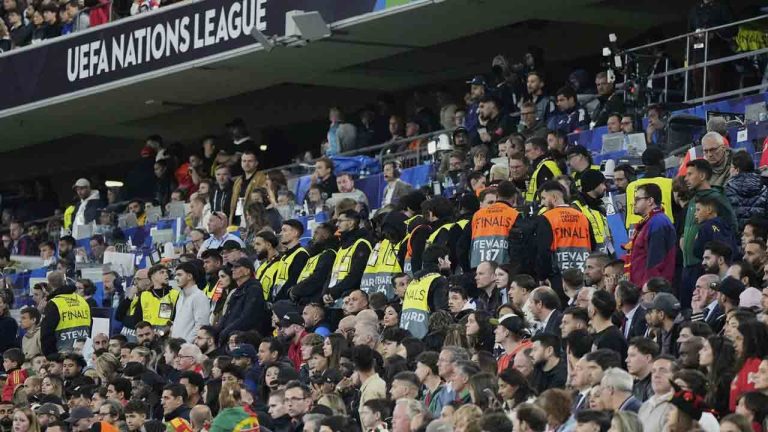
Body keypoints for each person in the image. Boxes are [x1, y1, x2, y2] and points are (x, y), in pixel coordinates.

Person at [682, 159, 737, 310]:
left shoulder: (716, 197)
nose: (686, 178)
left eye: (690, 174)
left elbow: (731, 226)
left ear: (702, 175)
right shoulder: (694, 199)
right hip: (688, 265)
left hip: (702, 265)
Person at [534, 181, 593, 304]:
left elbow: (543, 251)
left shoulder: (546, 217)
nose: (542, 203)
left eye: (544, 198)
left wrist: (542, 276)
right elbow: (592, 245)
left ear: (554, 197)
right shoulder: (583, 217)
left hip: (558, 278)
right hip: (582, 277)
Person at [626, 183, 677, 287]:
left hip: (652, 290)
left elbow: (656, 262)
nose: (633, 203)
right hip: (642, 287)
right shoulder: (651, 222)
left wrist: (651, 289)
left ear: (650, 201)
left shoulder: (658, 222)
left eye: (637, 199)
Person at [323, 210, 371, 309]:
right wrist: (325, 292)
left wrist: (334, 292)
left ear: (351, 223)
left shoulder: (361, 243)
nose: (337, 224)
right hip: (333, 299)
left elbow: (356, 274)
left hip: (349, 300)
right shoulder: (341, 247)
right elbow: (331, 274)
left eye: (340, 221)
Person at [400, 245, 450, 339]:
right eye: (448, 259)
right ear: (440, 260)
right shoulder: (438, 280)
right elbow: (441, 314)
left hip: (405, 337)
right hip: (424, 339)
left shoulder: (413, 282)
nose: (450, 262)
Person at [218, 258, 271, 343]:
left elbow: (247, 318)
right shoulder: (237, 291)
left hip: (244, 340)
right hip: (231, 336)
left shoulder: (254, 289)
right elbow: (227, 315)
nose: (232, 269)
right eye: (232, 267)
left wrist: (225, 332)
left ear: (247, 271)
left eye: (237, 267)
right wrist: (217, 331)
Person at [469, 181, 521, 269]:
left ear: (497, 195)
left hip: (478, 266)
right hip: (503, 267)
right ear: (514, 197)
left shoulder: (477, 215)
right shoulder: (514, 214)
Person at [41, 271, 92, 355]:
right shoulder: (82, 300)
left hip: (62, 354)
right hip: (83, 351)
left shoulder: (54, 303)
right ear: (65, 282)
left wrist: (51, 355)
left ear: (49, 285)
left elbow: (47, 333)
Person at [725, 150, 768, 228]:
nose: (729, 171)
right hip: (757, 237)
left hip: (733, 237)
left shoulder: (727, 190)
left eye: (731, 167)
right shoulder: (764, 189)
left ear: (737, 170)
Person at [170, 262, 210, 343]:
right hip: (175, 346)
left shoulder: (199, 296)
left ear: (189, 276)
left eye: (179, 275)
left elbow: (201, 325)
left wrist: (186, 343)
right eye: (176, 275)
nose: (176, 278)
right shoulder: (180, 296)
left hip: (188, 348)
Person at [273, 220, 309, 302]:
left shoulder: (301, 255)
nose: (281, 233)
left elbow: (293, 281)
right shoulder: (284, 256)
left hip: (287, 302)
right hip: (277, 301)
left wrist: (278, 300)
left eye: (284, 230)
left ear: (295, 233)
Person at [228, 150, 266, 226]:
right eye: (244, 161)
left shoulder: (262, 178)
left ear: (256, 163)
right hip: (237, 217)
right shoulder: (238, 181)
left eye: (250, 161)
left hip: (253, 217)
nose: (246, 164)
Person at [524, 137, 562, 205]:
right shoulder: (540, 166)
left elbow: (549, 193)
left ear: (538, 150)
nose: (525, 155)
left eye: (528, 151)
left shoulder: (547, 166)